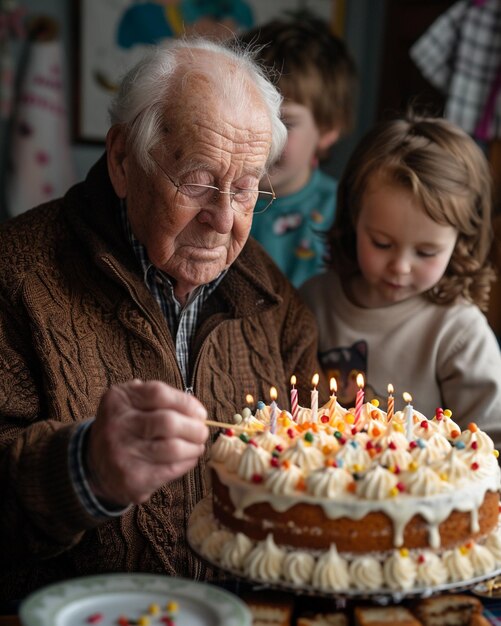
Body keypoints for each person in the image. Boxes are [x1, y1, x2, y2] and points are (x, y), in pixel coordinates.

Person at [0, 37, 327, 605]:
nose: (224, 218)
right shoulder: (16, 278)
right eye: (198, 179)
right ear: (124, 159)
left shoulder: (271, 297)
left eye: (247, 187)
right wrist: (85, 470)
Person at [300, 114, 501, 447]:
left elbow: (492, 442)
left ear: (459, 243)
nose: (401, 267)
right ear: (353, 218)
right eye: (381, 243)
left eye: (426, 252)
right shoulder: (315, 301)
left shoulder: (459, 332)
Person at [237, 14, 357, 288]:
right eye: (250, 116)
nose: (263, 139)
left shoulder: (344, 214)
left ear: (328, 128)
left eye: (284, 122)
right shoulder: (213, 197)